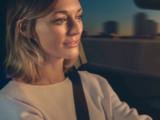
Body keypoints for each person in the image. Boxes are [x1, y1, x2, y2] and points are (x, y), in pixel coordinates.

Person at [0, 0, 152, 119]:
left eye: (78, 17)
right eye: (60, 19)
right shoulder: (13, 103)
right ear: (26, 28)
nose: (76, 29)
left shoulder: (94, 84)